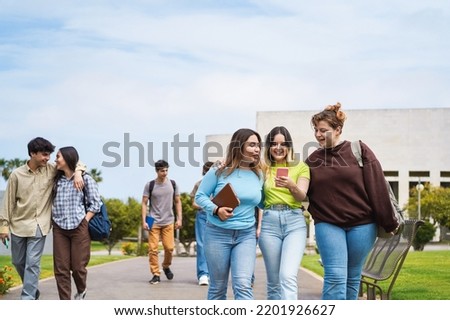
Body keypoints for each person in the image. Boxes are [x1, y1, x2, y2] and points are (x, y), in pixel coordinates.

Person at [305, 102, 399, 300]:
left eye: (323, 130)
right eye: (316, 130)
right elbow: (300, 188)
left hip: (362, 225)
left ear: (338, 129)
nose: (318, 135)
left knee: (352, 277)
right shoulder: (312, 160)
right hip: (328, 224)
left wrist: (388, 221)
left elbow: (377, 187)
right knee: (335, 277)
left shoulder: (359, 150)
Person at [0, 137, 84, 300]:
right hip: (19, 225)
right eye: (45, 155)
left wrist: (79, 172)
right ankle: (32, 289)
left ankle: (28, 297)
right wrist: (3, 227)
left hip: (40, 225)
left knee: (32, 263)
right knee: (18, 262)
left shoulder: (51, 169)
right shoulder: (17, 174)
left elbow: (76, 162)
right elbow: (8, 202)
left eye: (50, 155)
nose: (48, 159)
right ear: (32, 153)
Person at [195, 128, 264, 300]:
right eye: (252, 145)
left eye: (258, 146)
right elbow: (200, 196)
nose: (257, 149)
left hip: (246, 234)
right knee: (218, 288)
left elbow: (262, 202)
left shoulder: (260, 173)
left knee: (243, 285)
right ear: (239, 146)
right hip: (217, 233)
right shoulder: (219, 170)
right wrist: (216, 210)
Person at [258, 126, 310, 300]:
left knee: (287, 276)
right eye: (273, 144)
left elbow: (302, 195)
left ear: (289, 146)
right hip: (269, 223)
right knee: (273, 283)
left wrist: (291, 185)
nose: (278, 148)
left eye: (283, 144)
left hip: (294, 222)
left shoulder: (300, 167)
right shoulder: (263, 168)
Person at [51, 146, 101, 300]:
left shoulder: (85, 179)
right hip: (59, 227)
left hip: (79, 226)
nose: (55, 159)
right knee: (61, 268)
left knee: (78, 267)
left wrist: (85, 221)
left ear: (67, 158)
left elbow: (96, 203)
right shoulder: (56, 179)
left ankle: (81, 289)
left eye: (58, 156)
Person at [141, 160, 182, 285]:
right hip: (153, 220)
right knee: (153, 249)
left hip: (168, 220)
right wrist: (144, 221)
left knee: (169, 248)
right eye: (162, 171)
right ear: (157, 171)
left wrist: (179, 219)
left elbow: (177, 202)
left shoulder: (173, 184)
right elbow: (144, 203)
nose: (164, 173)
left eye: (166, 170)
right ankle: (155, 274)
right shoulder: (150, 185)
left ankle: (165, 265)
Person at [189, 161, 214, 286]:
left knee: (216, 245)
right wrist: (206, 205)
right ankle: (203, 274)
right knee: (201, 245)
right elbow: (193, 203)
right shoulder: (198, 185)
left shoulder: (219, 183)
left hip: (217, 216)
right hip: (203, 215)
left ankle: (214, 274)